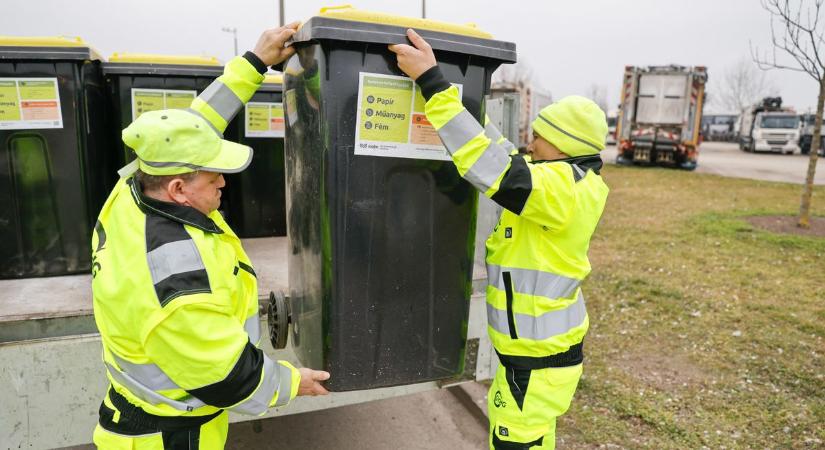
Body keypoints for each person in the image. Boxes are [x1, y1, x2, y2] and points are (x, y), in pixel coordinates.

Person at [90, 24, 330, 450]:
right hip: (168, 435)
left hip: (144, 411)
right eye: (213, 174)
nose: (223, 181)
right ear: (178, 190)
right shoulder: (177, 285)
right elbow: (227, 376)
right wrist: (293, 382)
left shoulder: (134, 186)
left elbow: (193, 125)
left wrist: (255, 62)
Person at [389, 30, 609, 449]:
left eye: (541, 136)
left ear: (564, 145)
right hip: (536, 357)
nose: (532, 141)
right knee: (531, 439)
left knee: (516, 443)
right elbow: (502, 152)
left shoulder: (562, 188)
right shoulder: (567, 181)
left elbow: (489, 166)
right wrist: (463, 102)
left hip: (537, 361)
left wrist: (434, 83)